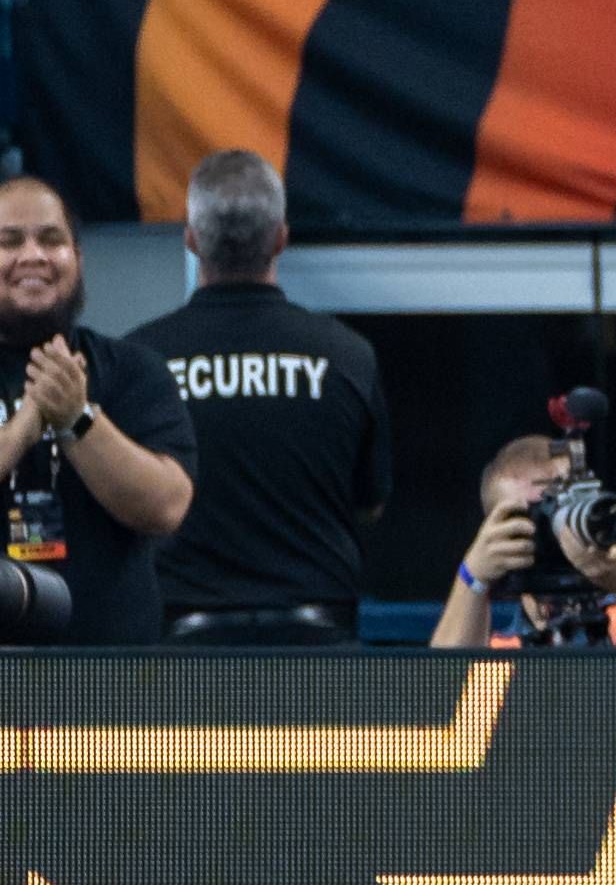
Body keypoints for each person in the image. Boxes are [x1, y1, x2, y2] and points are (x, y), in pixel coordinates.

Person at [135, 152, 388, 647]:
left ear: (190, 238)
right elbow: (371, 503)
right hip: (321, 641)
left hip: (183, 644)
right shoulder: (347, 355)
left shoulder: (143, 359)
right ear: (281, 237)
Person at [0, 179, 196, 649]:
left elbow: (167, 506)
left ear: (78, 259)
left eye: (52, 240)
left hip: (110, 680)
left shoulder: (134, 370)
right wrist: (27, 423)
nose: (33, 255)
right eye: (9, 241)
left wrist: (77, 420)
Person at [429, 431, 616, 650]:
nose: (551, 534)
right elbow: (442, 709)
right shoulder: (495, 645)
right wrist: (473, 577)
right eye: (532, 519)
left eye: (560, 511)